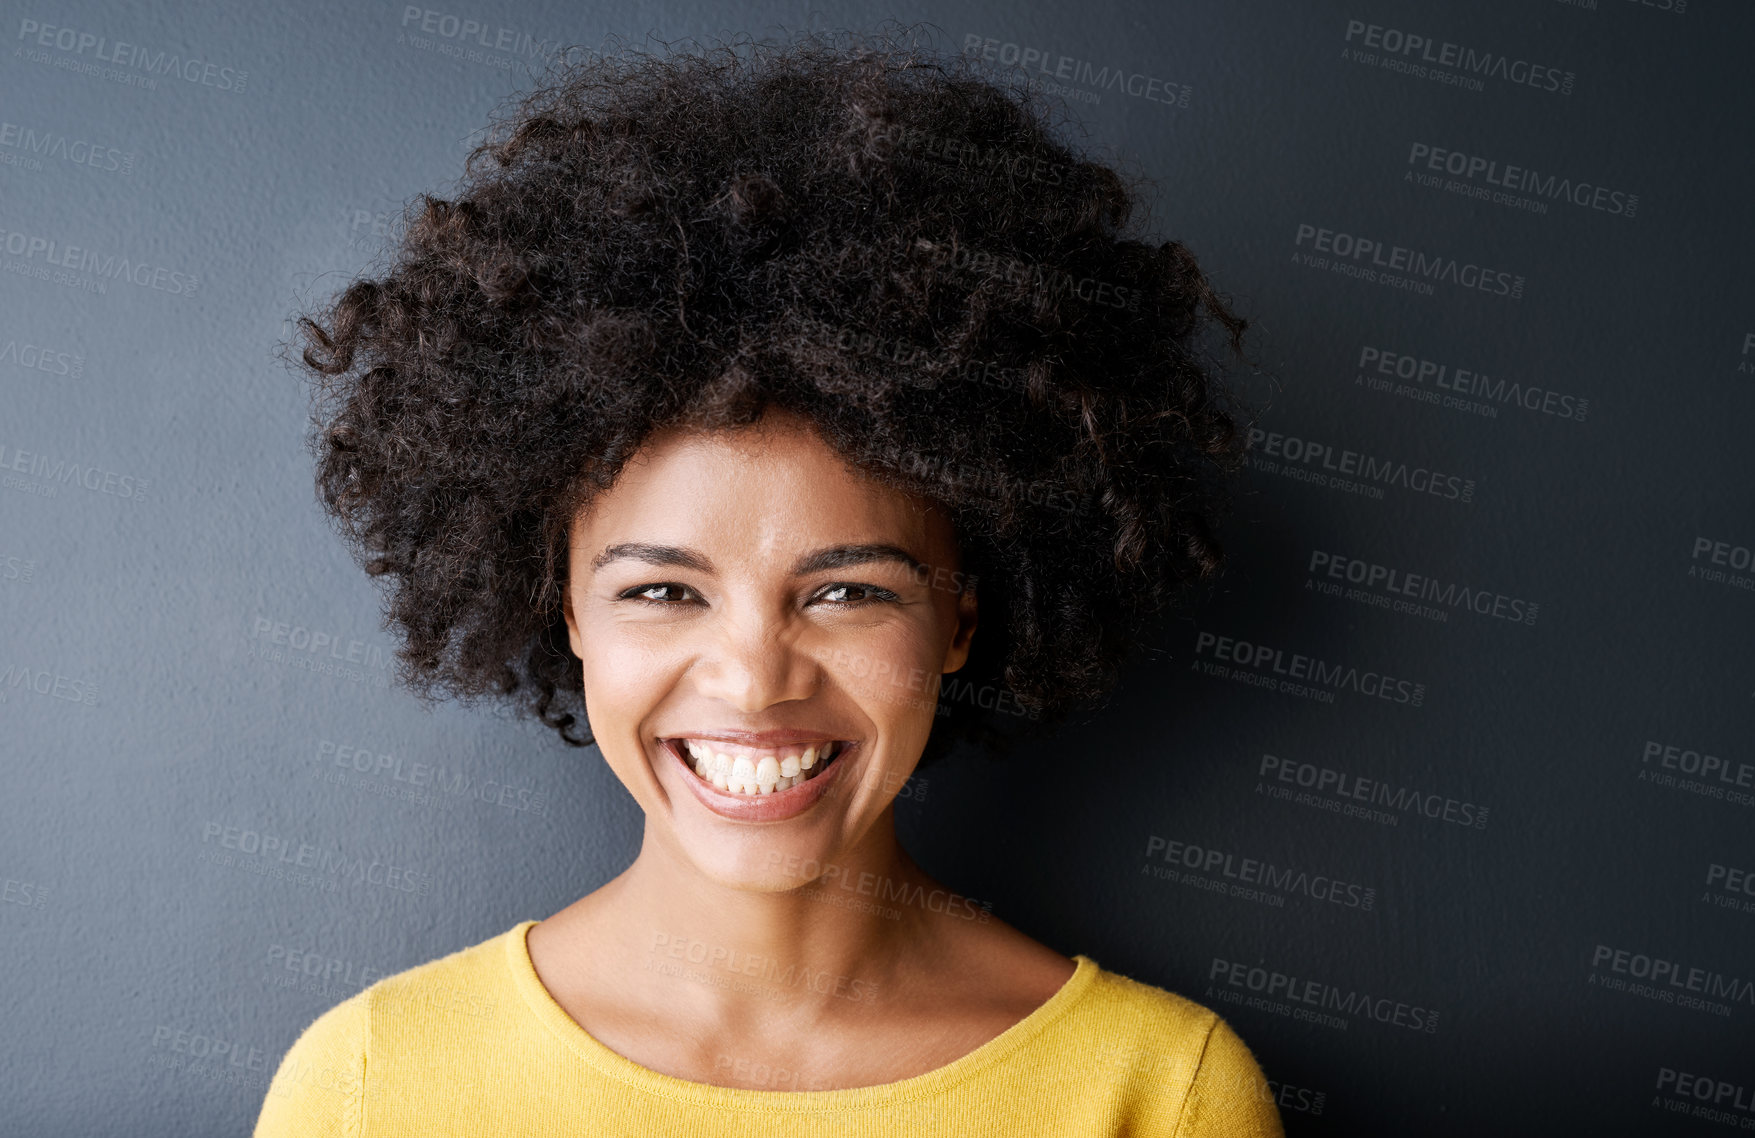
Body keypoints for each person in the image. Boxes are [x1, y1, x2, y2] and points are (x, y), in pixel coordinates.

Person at [257, 28, 1282, 1137]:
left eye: (847, 592)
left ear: (960, 618)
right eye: (662, 591)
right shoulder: (373, 1085)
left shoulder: (1156, 1092)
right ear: (567, 613)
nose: (754, 682)